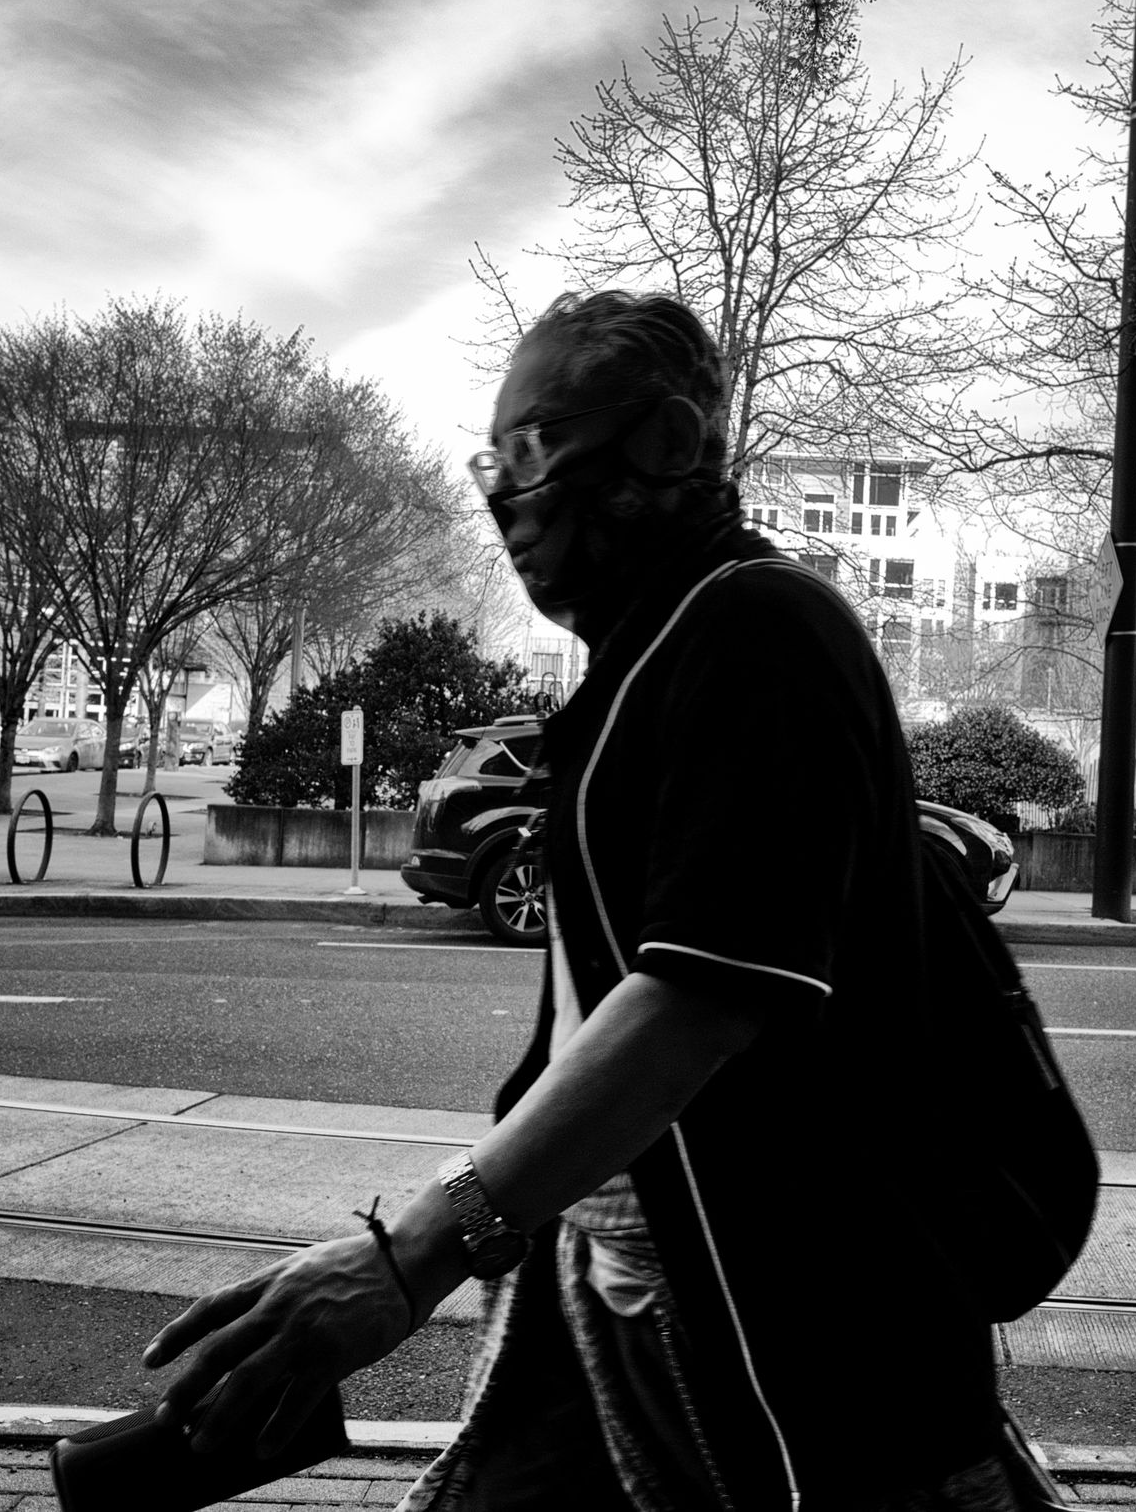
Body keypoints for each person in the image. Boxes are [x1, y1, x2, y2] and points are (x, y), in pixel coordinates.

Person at [143, 292, 1057, 1510]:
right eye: (492, 459)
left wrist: (416, 1253)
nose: (502, 498)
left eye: (528, 451)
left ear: (669, 443)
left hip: (795, 1334)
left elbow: (699, 999)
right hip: (625, 1288)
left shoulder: (759, 632)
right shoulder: (655, 653)